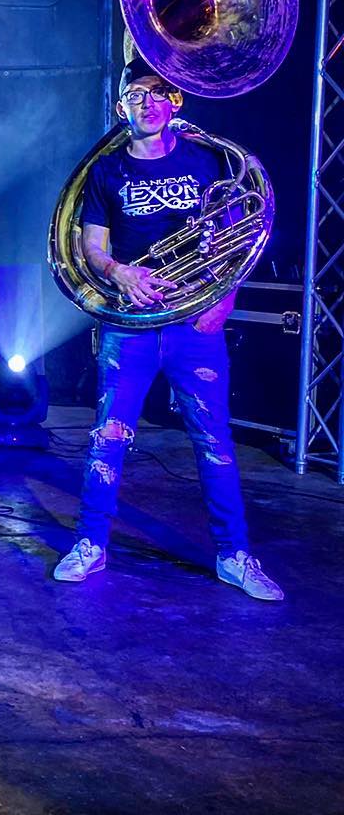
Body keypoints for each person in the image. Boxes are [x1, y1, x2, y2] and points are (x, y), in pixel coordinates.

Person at [53, 60, 285, 600]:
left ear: (175, 101)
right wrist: (118, 272)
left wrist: (223, 301)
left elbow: (238, 237)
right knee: (107, 438)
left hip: (194, 323)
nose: (150, 102)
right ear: (122, 108)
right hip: (130, 324)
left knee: (214, 441)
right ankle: (90, 542)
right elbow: (92, 246)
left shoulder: (206, 159)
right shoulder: (106, 171)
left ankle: (234, 554)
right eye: (137, 95)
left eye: (160, 92)